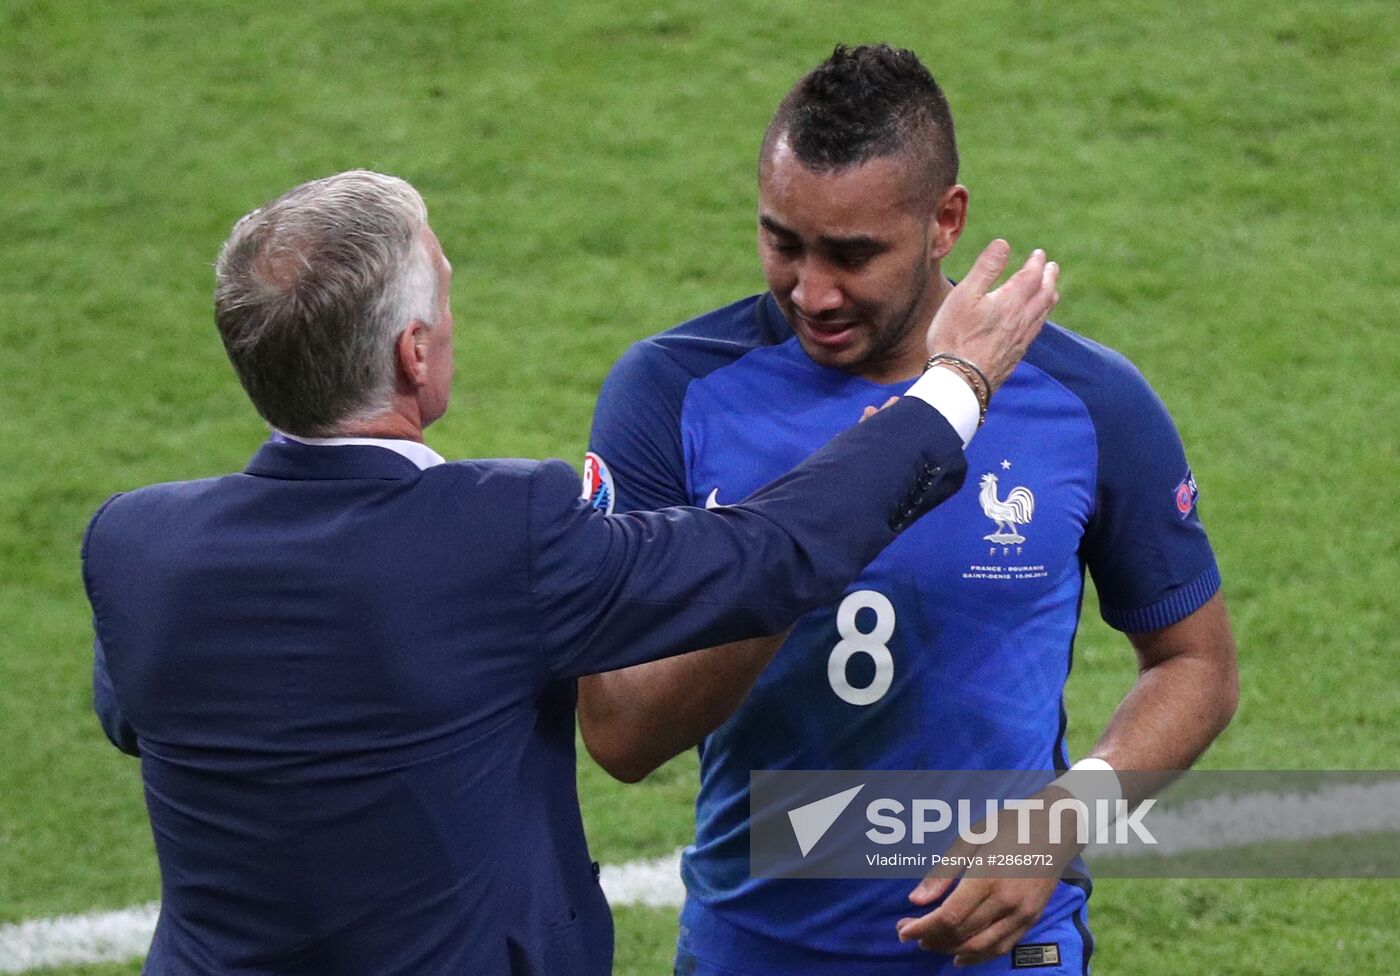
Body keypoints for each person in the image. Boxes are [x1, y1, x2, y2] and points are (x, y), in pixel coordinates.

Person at [80, 170, 1058, 976]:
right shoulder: (497, 532)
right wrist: (954, 385)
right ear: (413, 356)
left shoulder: (134, 549)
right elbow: (770, 555)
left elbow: (136, 719)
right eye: (446, 293)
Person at [578, 44, 1239, 975]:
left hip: (1006, 953)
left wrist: (1064, 817)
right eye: (783, 242)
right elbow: (621, 734)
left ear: (945, 222)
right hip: (757, 950)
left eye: (853, 255)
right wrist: (806, 540)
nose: (812, 291)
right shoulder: (671, 394)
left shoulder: (1086, 402)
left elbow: (1195, 665)